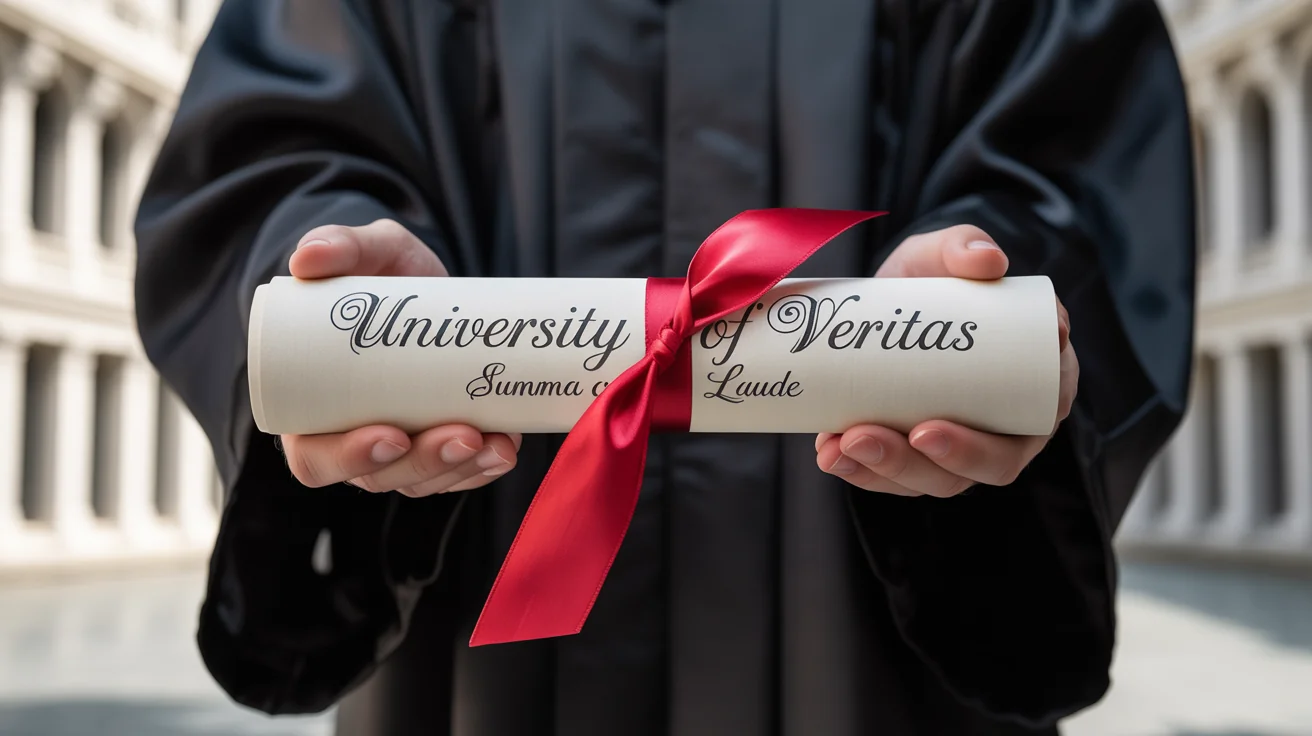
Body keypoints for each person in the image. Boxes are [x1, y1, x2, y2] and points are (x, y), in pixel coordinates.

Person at [133, 0, 1197, 734]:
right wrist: (331, 283)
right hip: (482, 663)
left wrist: (986, 300)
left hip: (879, 669)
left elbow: (1078, 158)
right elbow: (273, 150)